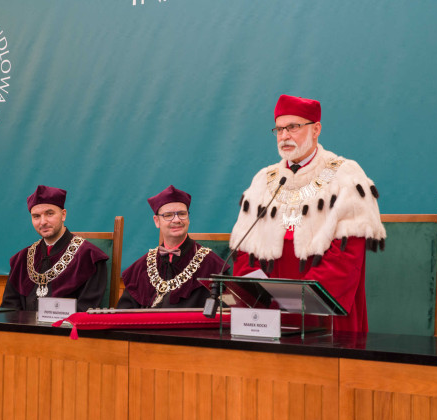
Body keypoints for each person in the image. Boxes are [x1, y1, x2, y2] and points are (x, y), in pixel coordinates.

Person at [229, 94, 386, 332]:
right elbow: (244, 252)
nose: (284, 136)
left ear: (316, 129)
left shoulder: (345, 175)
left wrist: (299, 299)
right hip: (268, 316)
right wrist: (259, 297)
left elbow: (347, 256)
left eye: (293, 127)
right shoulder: (263, 180)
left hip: (324, 312)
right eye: (279, 129)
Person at [1, 185, 109, 312]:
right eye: (36, 216)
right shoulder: (21, 259)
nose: (43, 222)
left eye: (49, 214)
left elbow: (86, 311)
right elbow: (9, 309)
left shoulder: (90, 257)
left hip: (65, 331)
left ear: (63, 215)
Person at [117, 185, 229, 308]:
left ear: (188, 218)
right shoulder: (139, 269)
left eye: (182, 214)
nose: (176, 220)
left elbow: (223, 315)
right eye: (168, 215)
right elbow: (124, 316)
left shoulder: (213, 266)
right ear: (156, 221)